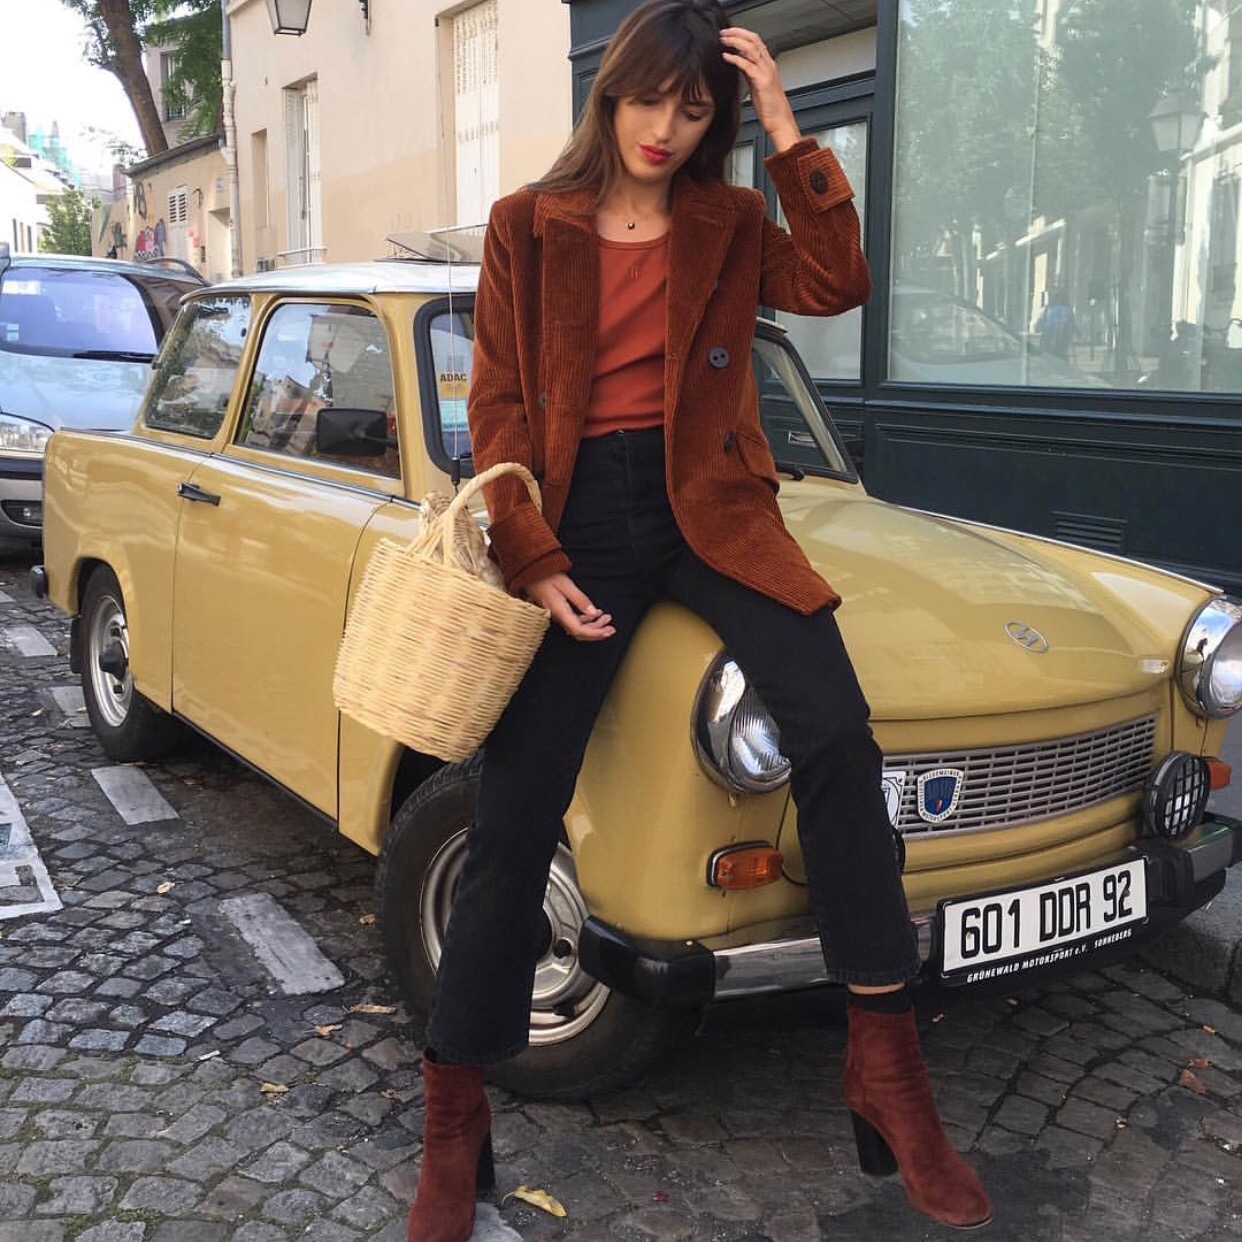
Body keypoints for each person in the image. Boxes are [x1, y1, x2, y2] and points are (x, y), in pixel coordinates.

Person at [405, 2, 992, 1238]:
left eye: (692, 109)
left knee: (837, 731)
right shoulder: (525, 225)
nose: (664, 129)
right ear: (609, 95)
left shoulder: (726, 221)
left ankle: (888, 1073)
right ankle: (454, 1126)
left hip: (713, 510)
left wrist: (786, 123)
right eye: (647, 100)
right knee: (514, 810)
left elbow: (836, 280)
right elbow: (496, 409)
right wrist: (534, 555)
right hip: (579, 518)